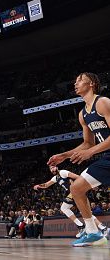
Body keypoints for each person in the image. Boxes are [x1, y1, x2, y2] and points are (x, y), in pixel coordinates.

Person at [48, 72, 110, 247]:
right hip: (107, 157)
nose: (75, 84)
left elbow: (90, 148)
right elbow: (87, 143)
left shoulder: (103, 103)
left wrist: (90, 153)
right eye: (75, 81)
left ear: (91, 84)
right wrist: (65, 155)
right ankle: (93, 233)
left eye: (80, 81)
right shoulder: (83, 114)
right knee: (76, 188)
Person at [34, 165, 106, 238]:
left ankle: (80, 226)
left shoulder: (63, 172)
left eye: (53, 167)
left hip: (76, 191)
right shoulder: (56, 178)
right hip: (75, 193)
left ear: (57, 167)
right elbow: (46, 185)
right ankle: (102, 227)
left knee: (64, 208)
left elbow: (78, 177)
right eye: (51, 169)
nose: (52, 169)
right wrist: (39, 186)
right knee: (85, 212)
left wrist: (90, 185)